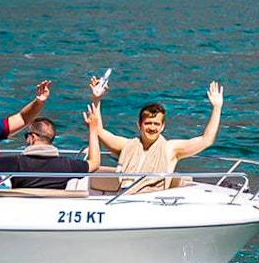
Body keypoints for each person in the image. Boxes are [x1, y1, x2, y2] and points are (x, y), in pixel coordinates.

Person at [90, 78, 224, 192]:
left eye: (156, 124)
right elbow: (99, 130)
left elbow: (206, 140)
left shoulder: (170, 149)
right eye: (148, 123)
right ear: (139, 125)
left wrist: (217, 108)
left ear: (162, 126)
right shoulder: (126, 146)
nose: (152, 128)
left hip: (151, 203)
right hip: (121, 200)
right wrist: (96, 99)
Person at [0, 102, 103, 189]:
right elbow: (95, 163)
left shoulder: (16, 163)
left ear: (33, 138)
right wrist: (93, 128)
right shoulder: (67, 165)